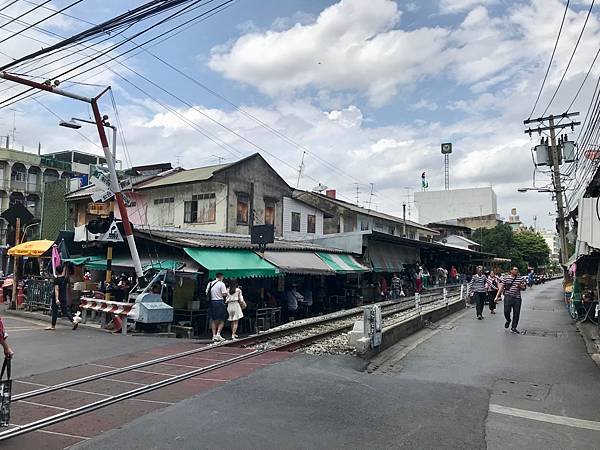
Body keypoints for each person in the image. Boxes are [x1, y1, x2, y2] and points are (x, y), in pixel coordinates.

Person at [495, 266, 527, 334]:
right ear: (511, 271)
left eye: (517, 270)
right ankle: (508, 320)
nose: (516, 271)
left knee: (516, 313)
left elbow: (524, 288)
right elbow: (501, 287)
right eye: (515, 270)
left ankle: (513, 327)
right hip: (508, 297)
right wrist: (497, 296)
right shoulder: (506, 278)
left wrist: (520, 286)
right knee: (506, 311)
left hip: (517, 298)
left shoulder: (521, 278)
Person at [47, 264, 79, 331]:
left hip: (57, 297)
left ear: (56, 271)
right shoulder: (65, 279)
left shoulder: (56, 280)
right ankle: (73, 322)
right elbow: (67, 288)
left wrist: (56, 299)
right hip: (63, 296)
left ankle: (53, 326)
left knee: (55, 311)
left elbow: (56, 290)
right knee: (65, 311)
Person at [205, 273, 228, 342]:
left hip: (212, 302)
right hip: (219, 302)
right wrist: (226, 293)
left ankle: (213, 335)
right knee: (222, 319)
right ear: (221, 277)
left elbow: (206, 292)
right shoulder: (221, 284)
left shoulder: (210, 283)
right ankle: (218, 334)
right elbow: (224, 293)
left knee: (213, 319)